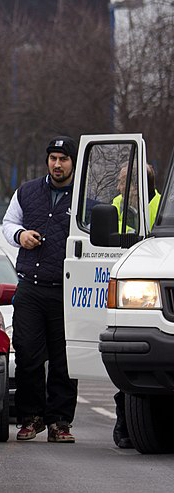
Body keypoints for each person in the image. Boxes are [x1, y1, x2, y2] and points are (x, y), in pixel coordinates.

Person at [2, 135, 79, 443]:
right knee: (28, 358)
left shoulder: (85, 197)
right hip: (31, 289)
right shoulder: (27, 191)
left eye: (63, 159)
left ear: (73, 162)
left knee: (64, 360)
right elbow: (8, 223)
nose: (57, 164)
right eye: (53, 159)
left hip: (67, 291)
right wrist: (20, 235)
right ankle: (31, 418)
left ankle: (60, 422)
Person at [110, 162, 160, 449]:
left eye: (124, 182)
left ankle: (131, 423)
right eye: (120, 182)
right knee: (125, 366)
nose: (120, 188)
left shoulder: (161, 207)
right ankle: (124, 422)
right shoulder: (115, 207)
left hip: (147, 290)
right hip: (124, 289)